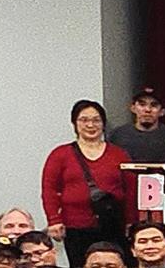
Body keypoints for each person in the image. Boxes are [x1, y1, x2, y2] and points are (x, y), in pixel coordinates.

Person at [43, 99, 132, 255]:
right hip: (75, 226)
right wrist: (54, 220)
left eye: (96, 120)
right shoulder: (60, 154)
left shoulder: (119, 154)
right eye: (84, 120)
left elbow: (131, 190)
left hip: (113, 225)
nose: (90, 125)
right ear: (74, 123)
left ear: (103, 124)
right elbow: (49, 189)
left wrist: (131, 222)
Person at [109, 87, 165, 164]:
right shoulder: (118, 135)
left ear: (162, 112)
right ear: (133, 108)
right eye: (142, 104)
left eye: (154, 105)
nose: (147, 110)